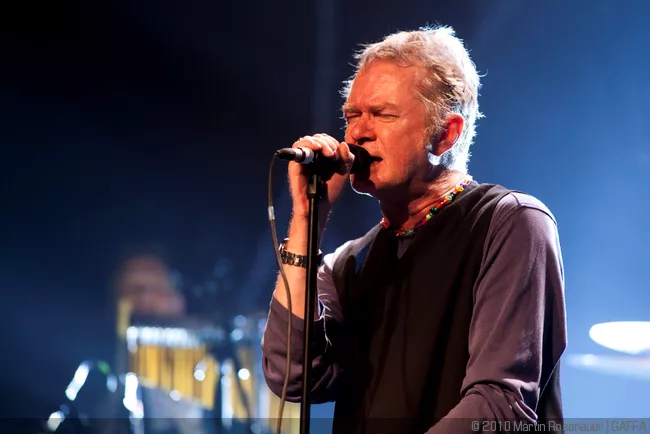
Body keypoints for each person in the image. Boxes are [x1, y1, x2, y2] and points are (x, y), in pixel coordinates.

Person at [261, 25, 567, 434]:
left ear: (445, 134)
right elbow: (292, 376)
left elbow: (499, 406)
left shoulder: (511, 223)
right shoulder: (350, 262)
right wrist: (306, 221)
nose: (357, 132)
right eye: (352, 115)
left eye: (383, 114)